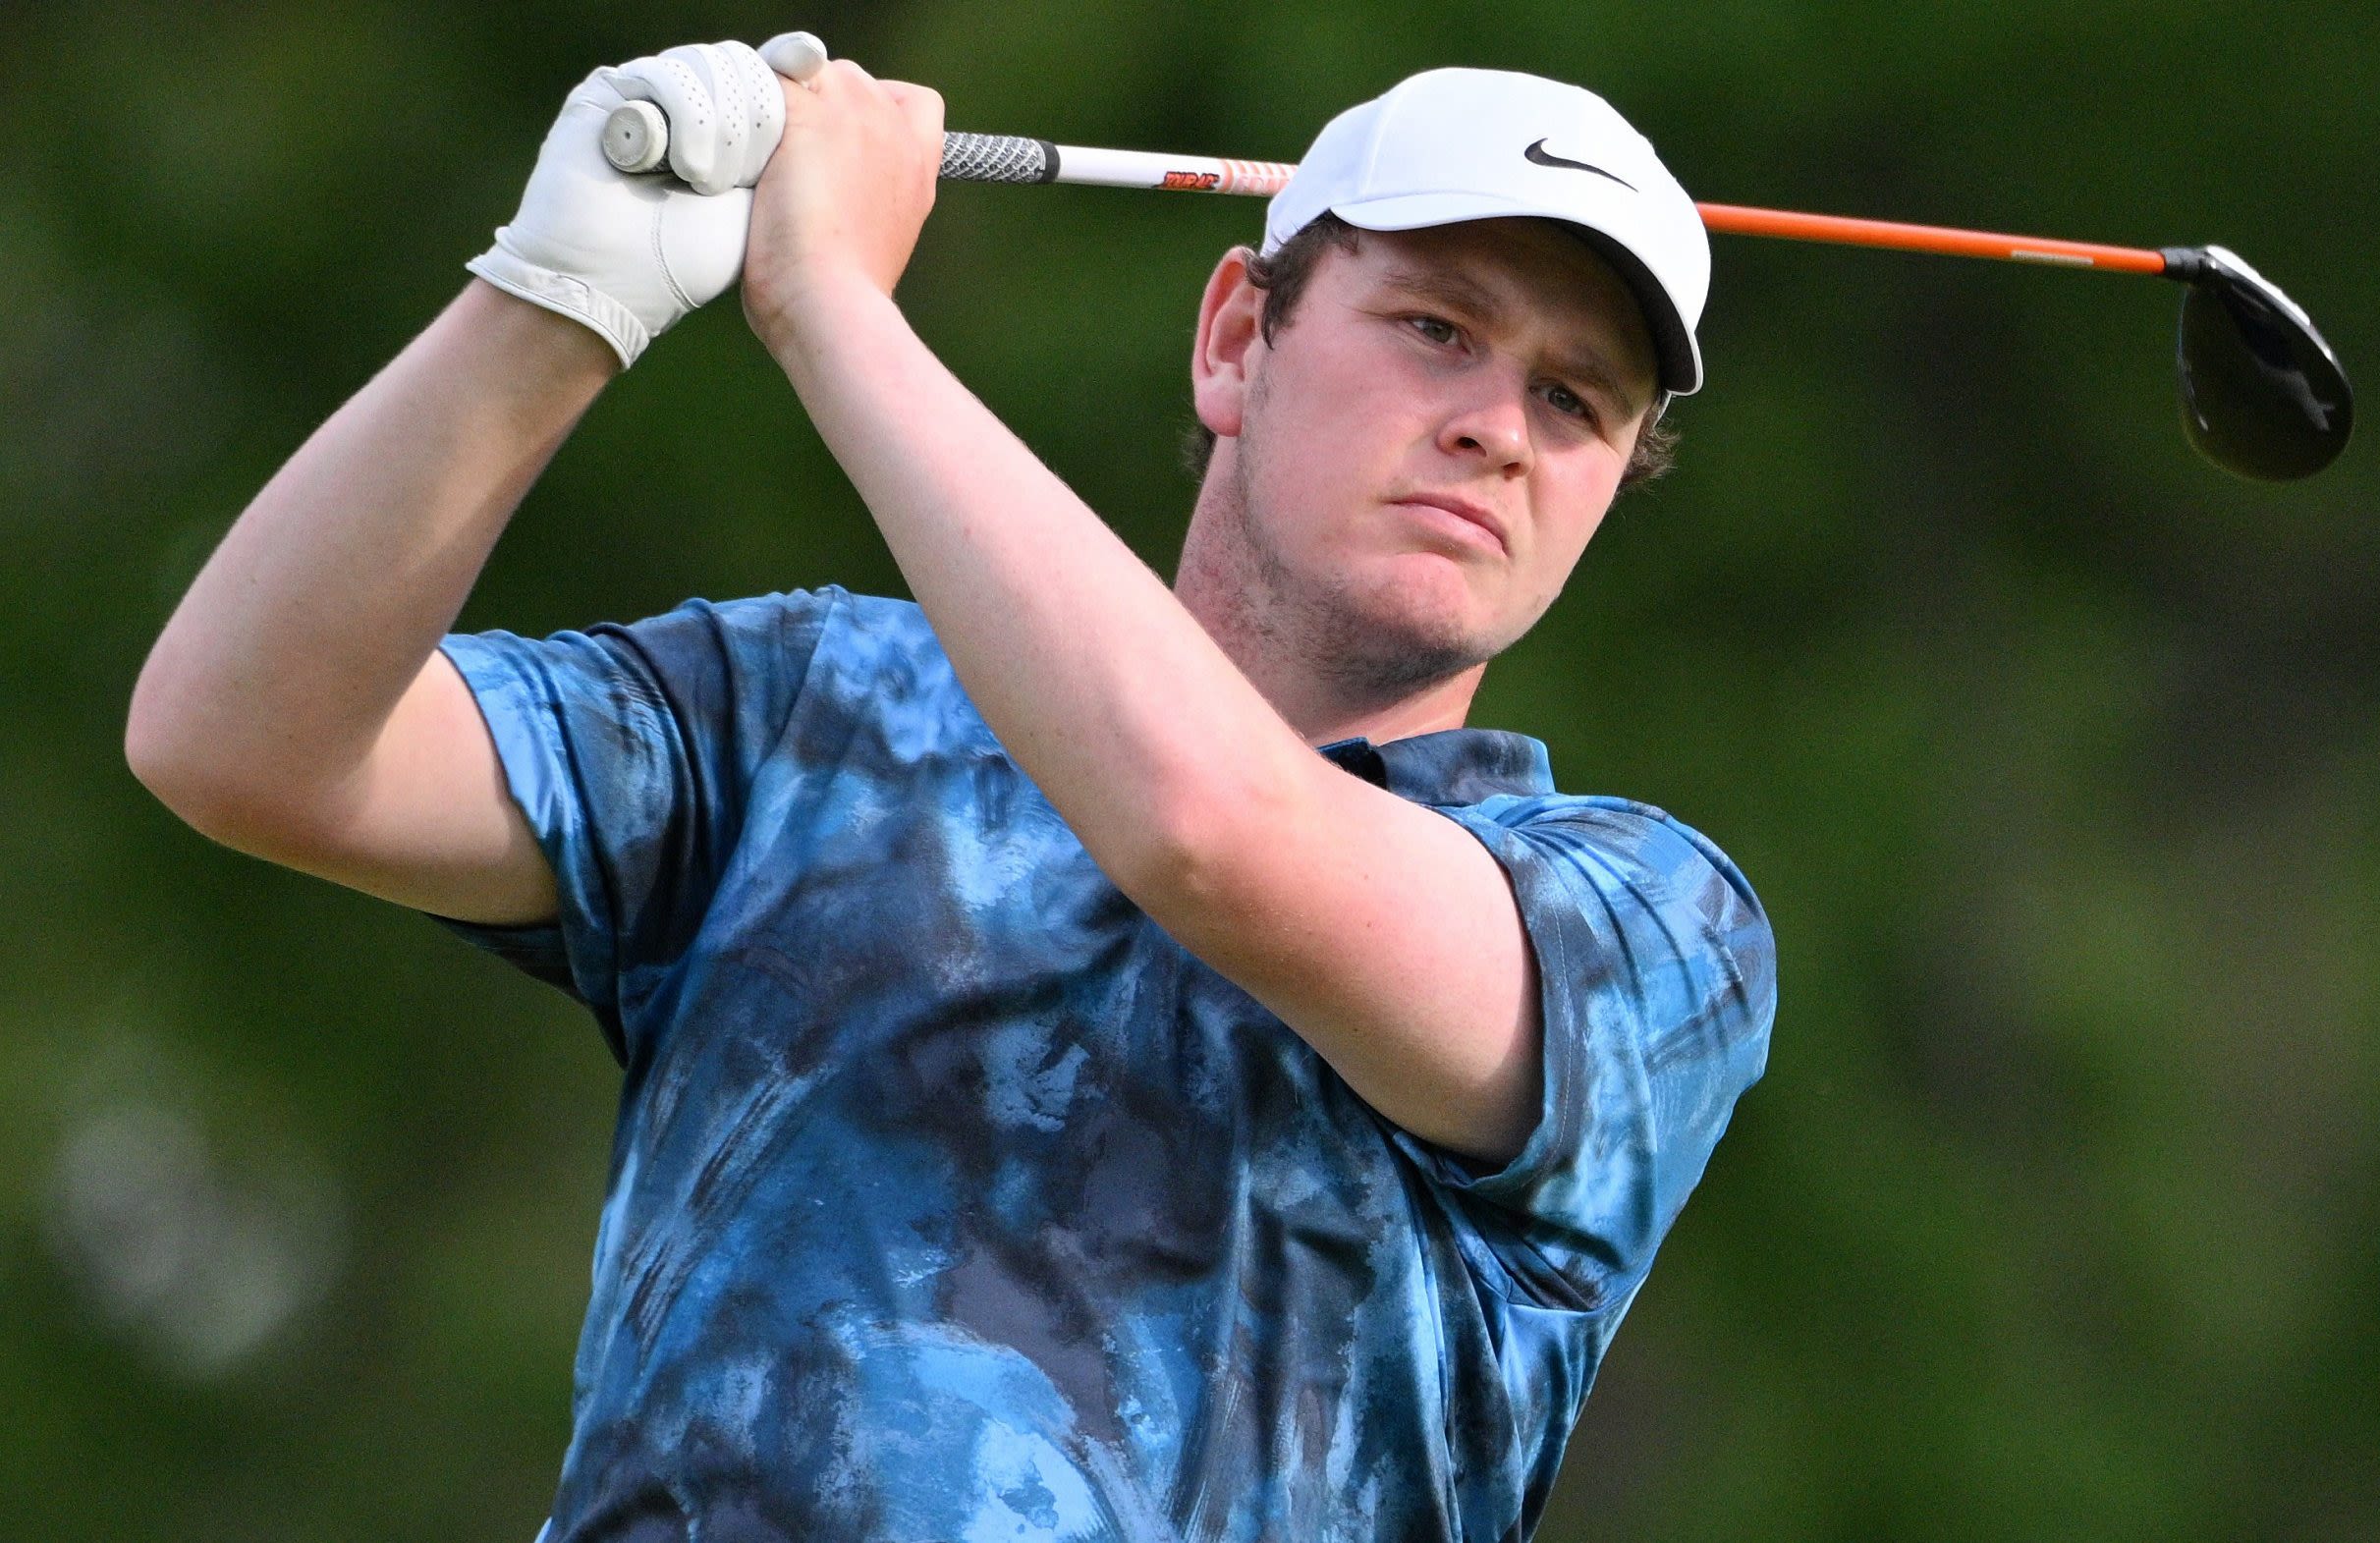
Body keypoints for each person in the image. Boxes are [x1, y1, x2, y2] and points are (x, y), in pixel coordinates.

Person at [126, 33, 1775, 1543]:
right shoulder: (818, 710)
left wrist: (832, 303)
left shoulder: (1651, 927)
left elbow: (1210, 832)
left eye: (1575, 402)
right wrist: (557, 298)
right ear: (1233, 342)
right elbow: (241, 740)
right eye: (1439, 329)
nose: (1499, 425)